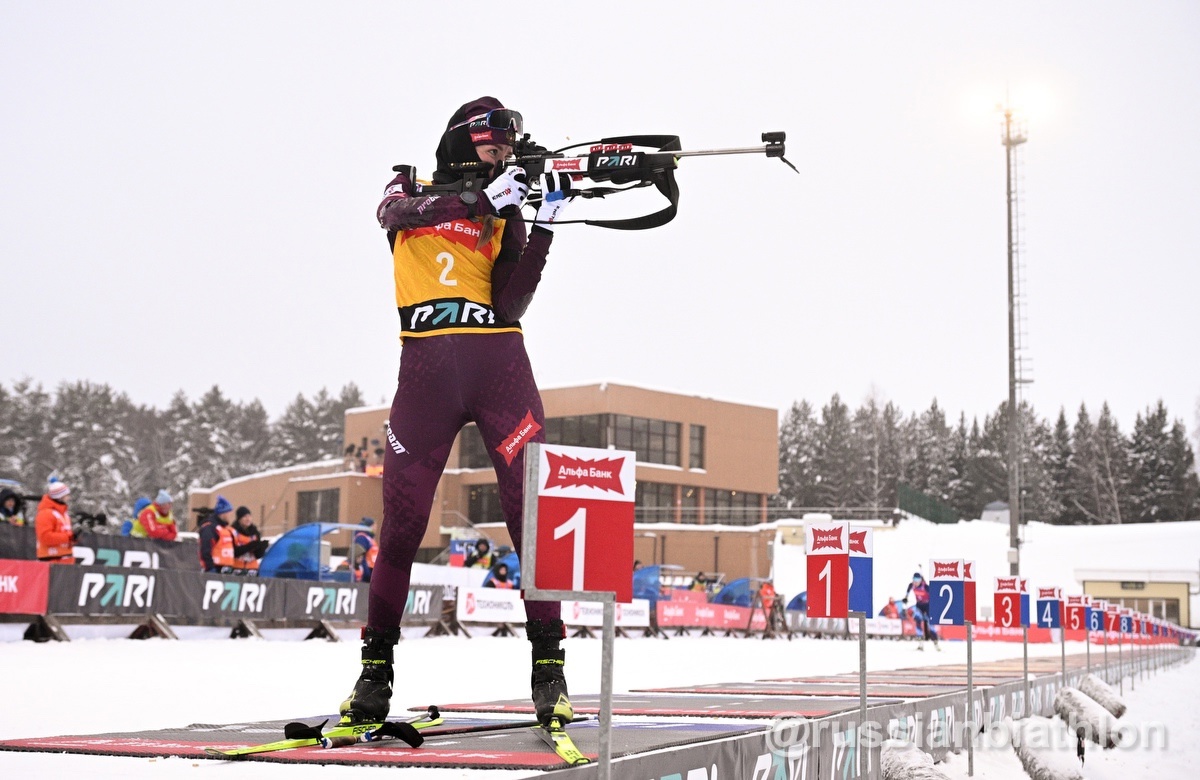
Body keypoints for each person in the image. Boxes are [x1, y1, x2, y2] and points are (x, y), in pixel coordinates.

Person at [338, 96, 576, 729]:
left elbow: (512, 301)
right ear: (463, 139)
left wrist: (540, 223)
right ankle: (375, 671)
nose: (502, 152)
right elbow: (392, 213)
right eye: (492, 141)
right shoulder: (411, 184)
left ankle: (549, 672)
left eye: (508, 144)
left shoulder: (508, 207)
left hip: (500, 369)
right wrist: (479, 201)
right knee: (403, 522)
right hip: (424, 376)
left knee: (530, 515)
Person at [35, 478, 76, 564]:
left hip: (65, 559)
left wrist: (74, 537)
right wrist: (68, 537)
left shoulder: (64, 514)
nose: (68, 498)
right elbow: (45, 537)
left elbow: (66, 535)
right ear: (59, 497)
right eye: (66, 495)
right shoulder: (45, 513)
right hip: (51, 560)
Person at [198, 495, 236, 573]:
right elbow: (206, 550)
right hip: (215, 569)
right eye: (229, 512)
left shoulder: (226, 529)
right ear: (223, 513)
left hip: (226, 570)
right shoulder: (210, 528)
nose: (230, 515)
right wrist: (210, 568)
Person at [903, 572, 939, 648]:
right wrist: (906, 598)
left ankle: (935, 641)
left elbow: (933, 595)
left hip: (927, 605)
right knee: (918, 620)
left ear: (920, 580)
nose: (915, 581)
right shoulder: (911, 585)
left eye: (917, 579)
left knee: (930, 623)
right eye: (914, 579)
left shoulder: (925, 587)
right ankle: (920, 642)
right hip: (919, 605)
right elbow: (907, 592)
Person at [230, 506, 267, 574]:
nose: (248, 519)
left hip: (252, 569)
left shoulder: (255, 533)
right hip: (236, 568)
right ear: (239, 519)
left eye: (249, 516)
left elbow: (257, 555)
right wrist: (250, 546)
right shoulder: (233, 532)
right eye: (245, 517)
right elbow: (233, 552)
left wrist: (262, 548)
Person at [352, 518, 378, 583]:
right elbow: (360, 555)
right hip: (367, 573)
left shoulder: (369, 538)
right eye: (374, 526)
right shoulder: (362, 538)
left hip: (372, 571)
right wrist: (367, 574)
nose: (375, 529)